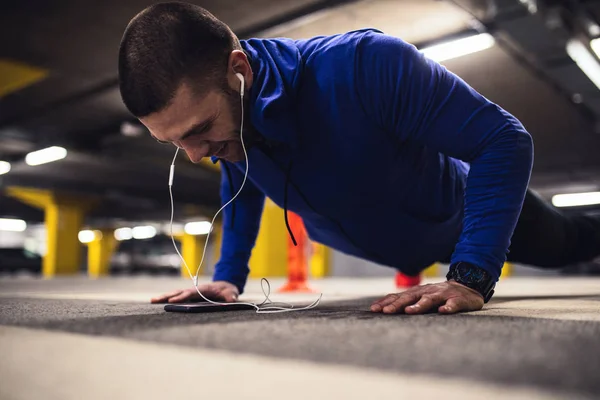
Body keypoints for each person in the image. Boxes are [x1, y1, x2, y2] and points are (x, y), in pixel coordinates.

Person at [117, 2, 600, 315]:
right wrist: (227, 279)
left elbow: (504, 139)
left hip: (463, 217)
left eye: (199, 131)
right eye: (176, 143)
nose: (197, 155)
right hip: (398, 239)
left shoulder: (363, 66)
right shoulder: (230, 128)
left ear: (238, 70)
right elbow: (241, 188)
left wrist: (471, 274)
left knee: (573, 243)